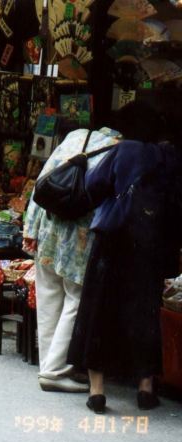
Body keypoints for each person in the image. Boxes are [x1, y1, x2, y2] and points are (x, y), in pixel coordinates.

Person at [67, 101, 182, 414]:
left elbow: (92, 187)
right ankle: (145, 388)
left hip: (113, 241)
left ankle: (97, 391)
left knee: (99, 312)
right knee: (144, 314)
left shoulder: (120, 151)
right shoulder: (170, 157)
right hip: (149, 245)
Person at [23, 127, 119, 393]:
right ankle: (54, 370)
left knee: (49, 297)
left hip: (49, 227)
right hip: (80, 236)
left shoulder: (75, 136)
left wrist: (30, 227)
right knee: (75, 299)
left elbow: (43, 180)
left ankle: (48, 366)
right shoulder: (118, 149)